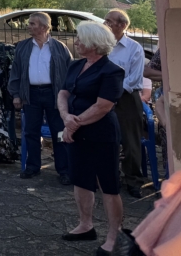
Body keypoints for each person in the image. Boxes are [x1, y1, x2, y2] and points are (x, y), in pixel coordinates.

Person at [58, 21, 124, 254]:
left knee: (108, 185)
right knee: (81, 179)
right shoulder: (76, 65)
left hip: (101, 134)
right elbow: (63, 93)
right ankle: (86, 225)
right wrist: (66, 117)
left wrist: (72, 125)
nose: (76, 42)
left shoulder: (112, 71)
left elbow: (102, 106)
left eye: (80, 39)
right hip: (76, 130)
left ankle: (114, 237)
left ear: (94, 43)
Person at [8, 11, 72, 183]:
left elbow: (69, 72)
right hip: (31, 94)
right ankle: (33, 167)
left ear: (43, 27)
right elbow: (16, 72)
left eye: (32, 24)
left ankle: (64, 170)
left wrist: (67, 95)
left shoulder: (59, 47)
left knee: (59, 132)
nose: (28, 26)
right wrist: (16, 94)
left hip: (54, 94)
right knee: (31, 131)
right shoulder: (23, 47)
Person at [103, 8, 146, 198]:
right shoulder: (102, 45)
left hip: (126, 98)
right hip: (102, 97)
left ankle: (133, 181)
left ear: (122, 25)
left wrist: (112, 94)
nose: (105, 24)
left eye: (109, 21)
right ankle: (109, 178)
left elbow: (134, 78)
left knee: (130, 142)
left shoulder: (134, 48)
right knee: (105, 140)